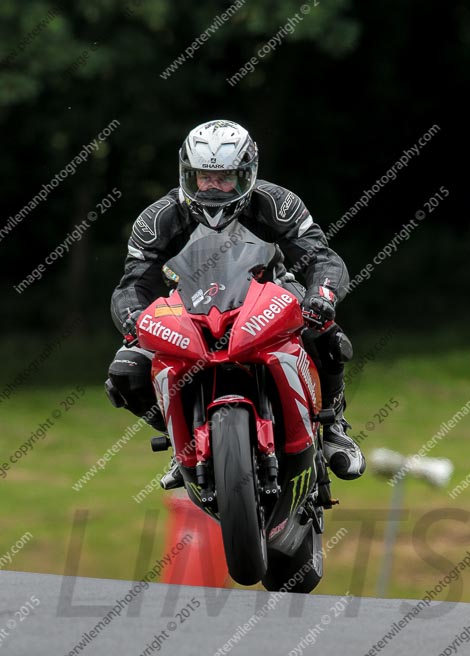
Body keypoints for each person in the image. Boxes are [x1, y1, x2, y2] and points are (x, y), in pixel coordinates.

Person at [106, 119, 365, 488]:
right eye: (202, 177)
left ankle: (334, 424)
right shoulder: (158, 219)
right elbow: (133, 283)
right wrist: (132, 318)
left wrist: (321, 294)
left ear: (248, 174)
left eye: (225, 177)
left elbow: (321, 257)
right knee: (124, 372)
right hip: (187, 311)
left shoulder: (278, 204)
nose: (213, 187)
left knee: (326, 331)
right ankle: (183, 442)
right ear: (187, 174)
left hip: (270, 296)